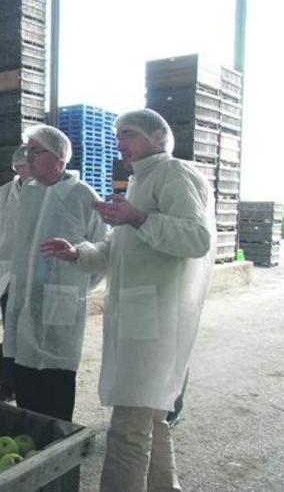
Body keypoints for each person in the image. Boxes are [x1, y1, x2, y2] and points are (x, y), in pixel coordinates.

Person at [42, 109, 216, 490]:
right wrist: (77, 252)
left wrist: (137, 218)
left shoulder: (174, 174)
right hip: (139, 317)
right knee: (151, 418)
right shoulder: (139, 182)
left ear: (158, 138)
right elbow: (115, 250)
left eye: (130, 134)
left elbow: (197, 239)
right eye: (119, 135)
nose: (121, 141)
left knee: (127, 429)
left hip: (155, 321)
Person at [3, 124, 107, 421]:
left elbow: (100, 254)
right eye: (27, 151)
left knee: (55, 383)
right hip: (25, 299)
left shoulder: (83, 195)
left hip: (63, 304)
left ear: (59, 158)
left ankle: (58, 450)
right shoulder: (29, 193)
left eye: (35, 152)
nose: (28, 159)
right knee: (25, 377)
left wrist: (72, 286)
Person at [0, 144, 32, 402]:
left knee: (30, 333)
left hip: (34, 278)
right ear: (17, 168)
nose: (27, 172)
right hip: (5, 275)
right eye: (23, 167)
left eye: (30, 167)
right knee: (9, 332)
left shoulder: (46, 192)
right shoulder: (3, 193)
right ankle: (6, 386)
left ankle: (26, 388)